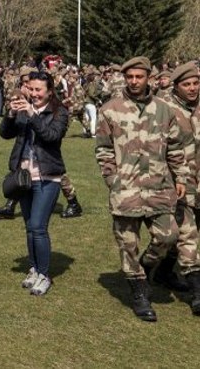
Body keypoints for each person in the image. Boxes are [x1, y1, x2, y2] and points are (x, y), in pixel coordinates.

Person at [95, 56, 188, 322]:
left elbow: (175, 148)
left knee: (168, 236)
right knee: (128, 244)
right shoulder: (110, 109)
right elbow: (103, 149)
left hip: (159, 187)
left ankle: (147, 266)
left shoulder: (164, 109)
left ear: (149, 77)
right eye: (129, 77)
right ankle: (139, 292)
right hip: (126, 190)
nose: (134, 81)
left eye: (139, 77)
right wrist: (112, 178)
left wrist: (180, 177)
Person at [0, 71, 68, 296]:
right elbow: (4, 134)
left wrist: (33, 115)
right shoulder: (23, 109)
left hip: (48, 176)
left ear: (49, 91)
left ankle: (44, 274)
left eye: (39, 90)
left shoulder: (59, 112)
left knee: (39, 226)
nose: (35, 94)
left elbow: (51, 136)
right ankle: (33, 268)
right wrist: (11, 114)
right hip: (25, 178)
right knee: (29, 227)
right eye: (32, 89)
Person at [149, 62, 200, 312]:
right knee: (187, 233)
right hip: (176, 182)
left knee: (185, 232)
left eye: (196, 83)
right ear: (176, 86)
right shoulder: (164, 109)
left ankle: (162, 272)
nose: (193, 88)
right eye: (187, 84)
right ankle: (197, 293)